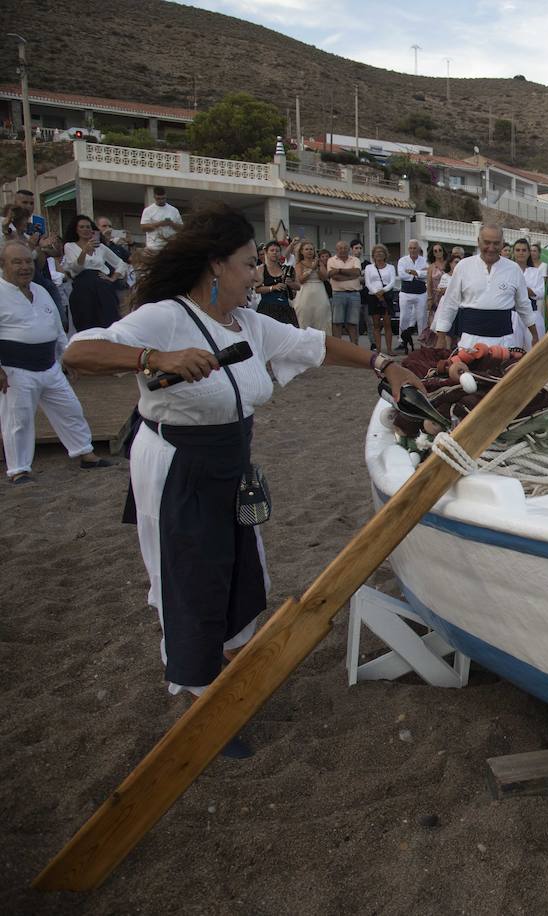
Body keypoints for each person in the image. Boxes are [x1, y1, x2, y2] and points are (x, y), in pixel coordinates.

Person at [62, 204, 423, 726]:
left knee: (239, 571)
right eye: (248, 263)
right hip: (178, 467)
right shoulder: (164, 317)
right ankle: (202, 700)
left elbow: (314, 345)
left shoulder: (248, 324)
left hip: (232, 464)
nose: (256, 272)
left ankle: (230, 673)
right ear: (216, 267)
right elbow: (79, 353)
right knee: (191, 579)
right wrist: (153, 359)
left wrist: (382, 363)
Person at [1, 241, 112, 484]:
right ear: (3, 265)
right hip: (14, 369)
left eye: (28, 261)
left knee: (70, 409)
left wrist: (67, 358)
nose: (24, 267)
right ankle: (19, 469)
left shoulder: (40, 291)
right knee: (18, 420)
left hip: (49, 365)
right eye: (16, 262)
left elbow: (57, 331)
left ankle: (85, 453)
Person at [433, 224, 538, 350]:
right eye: (487, 243)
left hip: (504, 343)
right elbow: (450, 303)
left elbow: (523, 305)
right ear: (478, 242)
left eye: (496, 243)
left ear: (502, 243)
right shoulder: (463, 266)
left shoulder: (513, 269)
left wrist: (535, 335)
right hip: (469, 343)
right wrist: (441, 338)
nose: (491, 248)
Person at [61, 214, 130, 331]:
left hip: (102, 284)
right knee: (86, 323)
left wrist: (113, 278)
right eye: (82, 227)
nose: (85, 230)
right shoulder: (70, 246)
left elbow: (121, 263)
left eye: (88, 227)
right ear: (76, 229)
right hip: (83, 285)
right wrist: (84, 251)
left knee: (108, 322)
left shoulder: (101, 247)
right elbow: (75, 268)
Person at [253, 240, 298, 327]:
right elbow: (257, 289)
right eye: (272, 250)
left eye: (277, 251)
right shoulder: (261, 269)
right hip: (267, 307)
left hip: (285, 307)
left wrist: (290, 284)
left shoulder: (286, 268)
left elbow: (298, 286)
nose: (275, 253)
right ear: (267, 252)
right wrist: (273, 287)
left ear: (280, 253)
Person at [327, 240, 364, 344]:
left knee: (353, 323)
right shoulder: (331, 260)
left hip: (354, 294)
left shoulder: (355, 259)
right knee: (337, 323)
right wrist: (350, 274)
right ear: (336, 249)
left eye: (345, 248)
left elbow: (357, 273)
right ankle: (339, 348)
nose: (342, 250)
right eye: (340, 248)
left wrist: (339, 270)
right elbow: (334, 277)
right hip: (338, 294)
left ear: (349, 249)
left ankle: (354, 348)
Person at [511, 238, 544, 351]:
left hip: (532, 312)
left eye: (524, 250)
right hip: (513, 314)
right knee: (514, 350)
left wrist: (528, 291)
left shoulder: (535, 272)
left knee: (534, 349)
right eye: (518, 250)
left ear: (529, 253)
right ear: (513, 252)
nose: (521, 253)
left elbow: (541, 292)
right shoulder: (508, 271)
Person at [395, 239, 427, 354]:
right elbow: (402, 274)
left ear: (418, 249)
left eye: (415, 248)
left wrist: (415, 272)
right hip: (406, 292)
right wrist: (418, 274)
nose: (413, 250)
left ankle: (423, 342)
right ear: (408, 249)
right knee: (404, 317)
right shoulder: (403, 260)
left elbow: (427, 273)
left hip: (421, 293)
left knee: (422, 318)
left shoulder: (424, 260)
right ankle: (402, 340)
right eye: (411, 248)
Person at [291, 241, 331, 333]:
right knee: (304, 318)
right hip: (305, 292)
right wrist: (311, 269)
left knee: (321, 317)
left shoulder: (319, 262)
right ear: (301, 252)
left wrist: (317, 268)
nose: (309, 251)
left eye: (311, 249)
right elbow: (301, 280)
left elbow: (324, 277)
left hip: (319, 291)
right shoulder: (299, 264)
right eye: (306, 249)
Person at [139, 187, 182, 253]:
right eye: (158, 199)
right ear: (154, 197)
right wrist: (159, 224)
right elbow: (143, 228)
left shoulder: (174, 210)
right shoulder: (148, 210)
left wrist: (171, 224)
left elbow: (181, 228)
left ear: (166, 196)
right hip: (154, 247)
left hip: (170, 246)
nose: (161, 200)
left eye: (163, 198)